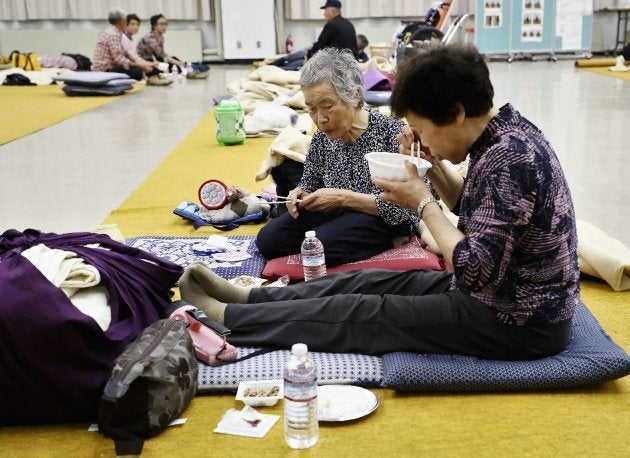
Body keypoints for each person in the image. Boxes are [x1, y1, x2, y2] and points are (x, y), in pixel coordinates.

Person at [179, 44, 580, 361]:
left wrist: (423, 201)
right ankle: (250, 298)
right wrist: (432, 165)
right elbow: (471, 204)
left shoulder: (511, 160)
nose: (420, 138)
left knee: (367, 314)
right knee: (365, 282)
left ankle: (232, 320)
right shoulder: (503, 134)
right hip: (495, 294)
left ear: (456, 114)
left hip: (519, 320)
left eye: (424, 130)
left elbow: (476, 272)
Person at [255, 48, 419, 266]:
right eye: (312, 109)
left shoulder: (393, 134)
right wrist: (299, 193)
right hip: (336, 212)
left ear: (355, 95)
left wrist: (343, 198)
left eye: (328, 106)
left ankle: (391, 240)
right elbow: (310, 181)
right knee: (269, 240)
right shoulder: (323, 138)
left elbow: (408, 204)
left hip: (380, 216)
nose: (320, 119)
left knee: (322, 245)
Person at [91, 8, 157, 82]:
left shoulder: (116, 32)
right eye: (126, 20)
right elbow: (119, 59)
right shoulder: (113, 34)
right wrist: (141, 65)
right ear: (121, 22)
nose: (126, 22)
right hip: (105, 70)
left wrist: (142, 65)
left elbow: (125, 54)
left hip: (110, 67)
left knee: (140, 69)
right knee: (137, 72)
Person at [121, 14, 169, 86]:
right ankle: (152, 78)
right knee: (142, 70)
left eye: (137, 25)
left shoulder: (128, 39)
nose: (136, 27)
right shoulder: (123, 38)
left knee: (155, 66)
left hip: (139, 60)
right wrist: (145, 65)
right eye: (133, 24)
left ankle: (153, 76)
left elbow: (135, 58)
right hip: (119, 67)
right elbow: (127, 60)